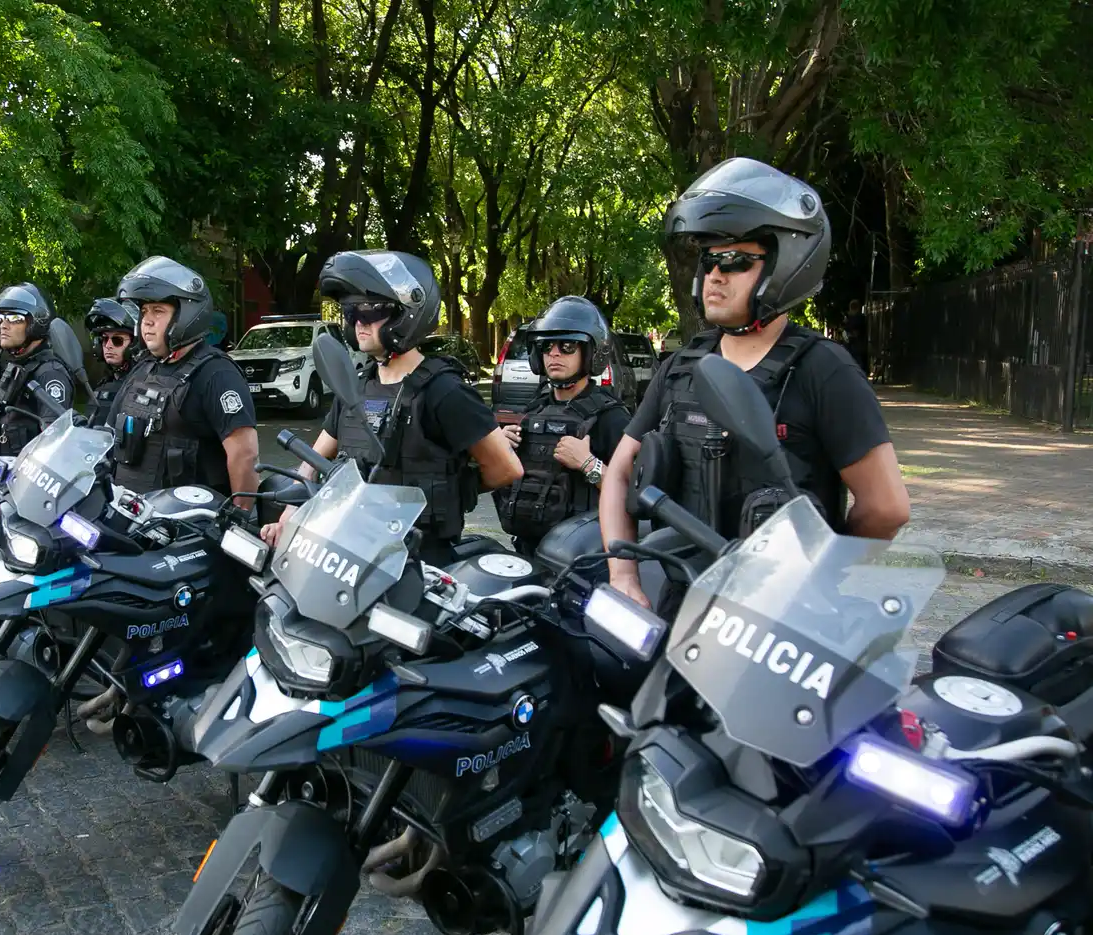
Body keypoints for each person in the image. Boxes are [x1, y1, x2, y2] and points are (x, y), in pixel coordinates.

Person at [600, 158, 910, 609]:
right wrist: (623, 575)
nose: (714, 277)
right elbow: (619, 473)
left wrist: (824, 571)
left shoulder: (823, 369)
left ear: (786, 265)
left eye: (737, 262)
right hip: (681, 604)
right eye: (709, 262)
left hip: (775, 623)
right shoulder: (681, 366)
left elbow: (886, 507)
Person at [258, 250, 522, 565]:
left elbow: (507, 468)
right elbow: (312, 460)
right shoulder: (357, 384)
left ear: (406, 314)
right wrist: (290, 515)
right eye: (351, 313)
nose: (358, 324)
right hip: (351, 551)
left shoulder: (444, 391)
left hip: (420, 558)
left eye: (369, 312)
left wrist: (447, 489)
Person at [106, 256, 259, 504]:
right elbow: (108, 436)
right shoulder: (143, 368)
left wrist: (238, 518)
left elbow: (245, 454)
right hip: (130, 518)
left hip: (188, 529)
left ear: (187, 316)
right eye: (144, 311)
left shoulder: (217, 374)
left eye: (158, 311)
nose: (147, 320)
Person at [495, 296, 630, 555]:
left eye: (567, 346)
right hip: (528, 552)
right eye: (546, 346)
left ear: (590, 352)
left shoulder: (611, 418)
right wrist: (502, 451)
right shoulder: (534, 412)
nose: (554, 353)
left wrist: (590, 465)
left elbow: (635, 496)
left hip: (584, 559)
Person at [0, 283, 74, 457]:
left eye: (14, 318)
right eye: (0, 318)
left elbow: (53, 442)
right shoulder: (11, 368)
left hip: (25, 478)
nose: (4, 325)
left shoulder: (49, 373)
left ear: (36, 322)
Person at [86, 297, 143, 425]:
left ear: (134, 344)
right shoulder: (104, 384)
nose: (108, 346)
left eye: (117, 340)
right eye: (104, 339)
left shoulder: (143, 385)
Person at [843, 298, 869, 378]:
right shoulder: (859, 318)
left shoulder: (855, 319)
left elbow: (851, 330)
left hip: (855, 346)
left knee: (856, 363)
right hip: (857, 345)